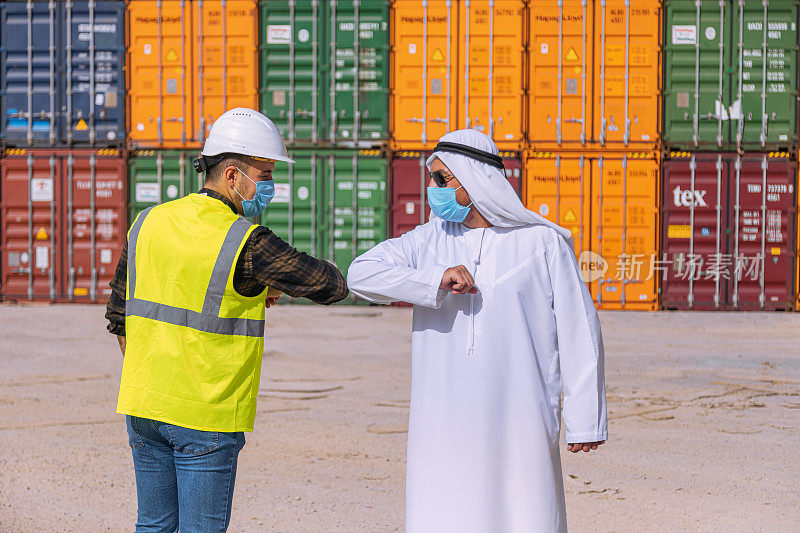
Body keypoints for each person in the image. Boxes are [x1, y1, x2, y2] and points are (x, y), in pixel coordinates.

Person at [346, 129, 607, 533]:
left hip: (520, 416)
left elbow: (579, 332)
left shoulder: (542, 244)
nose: (432, 189)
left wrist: (585, 418)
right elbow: (360, 275)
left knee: (524, 512)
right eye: (430, 179)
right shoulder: (427, 241)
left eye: (441, 179)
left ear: (475, 179)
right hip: (442, 418)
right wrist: (434, 279)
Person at [105, 107, 349, 532]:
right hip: (207, 416)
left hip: (143, 406)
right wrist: (264, 280)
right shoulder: (246, 241)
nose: (270, 185)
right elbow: (329, 285)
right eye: (266, 174)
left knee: (154, 527)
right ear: (233, 175)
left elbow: (119, 316)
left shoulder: (147, 222)